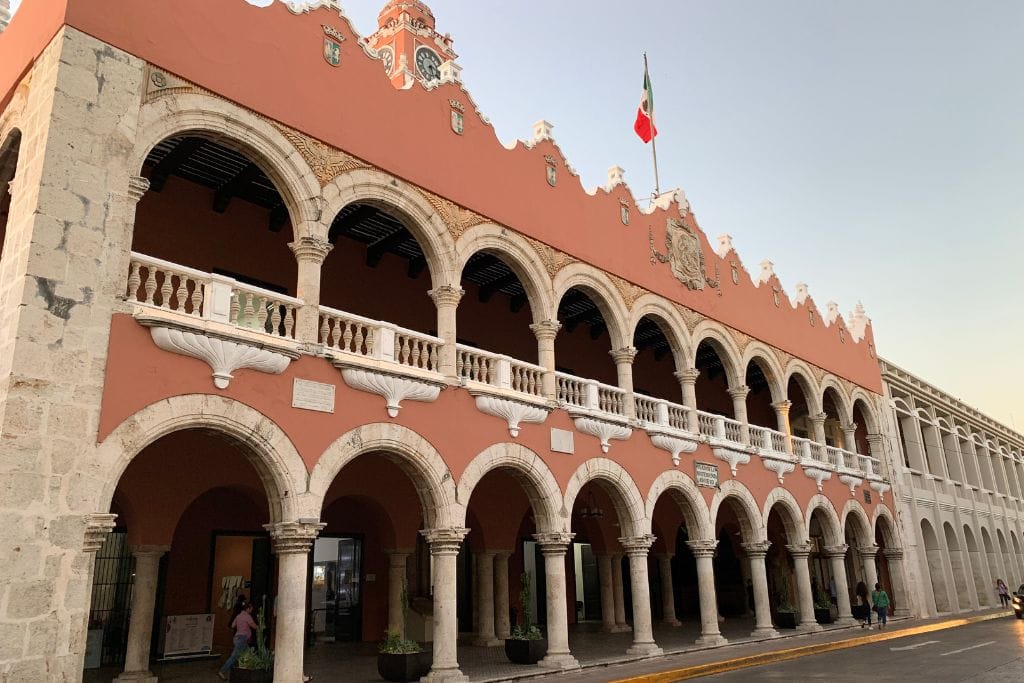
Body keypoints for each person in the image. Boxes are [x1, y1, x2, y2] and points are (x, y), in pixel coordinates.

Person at [218, 601, 256, 680]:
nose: (252, 610)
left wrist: (241, 625)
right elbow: (254, 626)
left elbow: (232, 625)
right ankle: (222, 671)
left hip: (238, 638)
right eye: (251, 608)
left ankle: (241, 675)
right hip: (242, 639)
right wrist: (261, 627)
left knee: (249, 655)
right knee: (234, 657)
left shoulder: (238, 616)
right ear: (248, 609)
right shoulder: (247, 616)